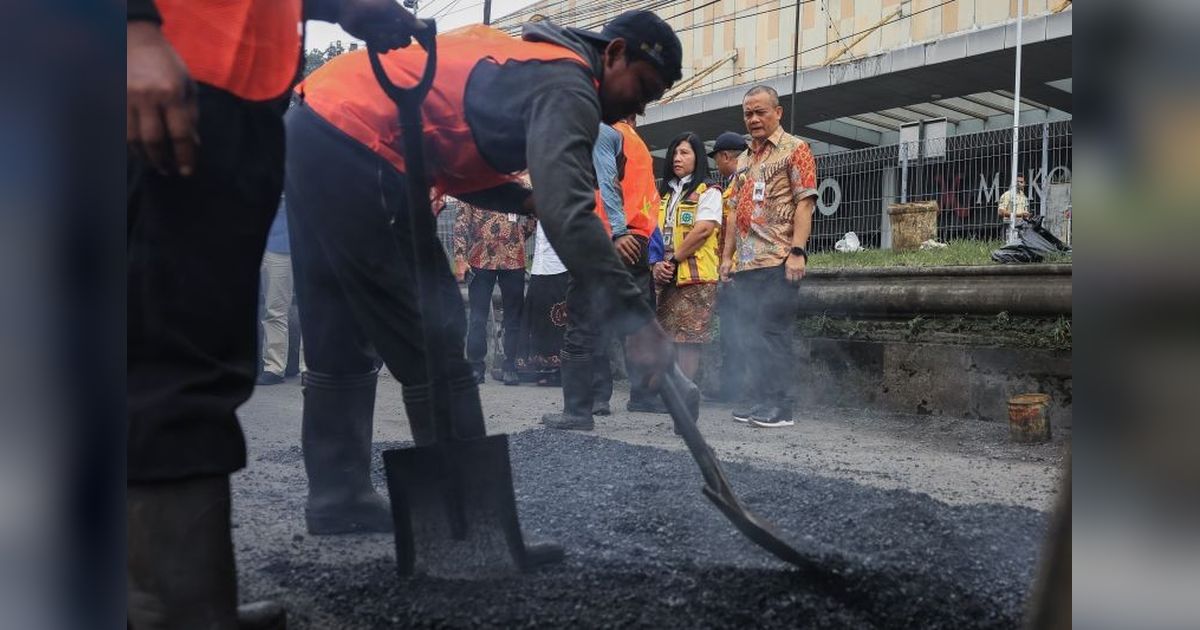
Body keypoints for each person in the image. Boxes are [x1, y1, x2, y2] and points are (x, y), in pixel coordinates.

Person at [284, 11, 681, 533]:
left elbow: (454, 153)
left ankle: (339, 498)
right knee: (434, 335)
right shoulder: (570, 85)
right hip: (363, 143)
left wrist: (522, 198)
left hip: (315, 127)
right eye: (643, 88)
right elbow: (570, 212)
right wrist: (638, 322)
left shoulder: (536, 65)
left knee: (338, 327)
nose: (640, 107)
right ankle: (469, 531)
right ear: (614, 53)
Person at [127, 1, 417, 627]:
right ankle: (177, 609)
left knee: (203, 355)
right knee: (167, 357)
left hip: (243, 104)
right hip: (165, 78)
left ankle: (181, 595)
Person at [543, 111, 661, 427]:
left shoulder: (604, 133)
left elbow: (607, 183)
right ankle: (665, 394)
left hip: (605, 241)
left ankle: (579, 410)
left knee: (582, 326)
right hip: (636, 242)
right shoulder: (638, 144)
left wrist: (617, 231)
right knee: (638, 324)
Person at [719, 85, 818, 429]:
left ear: (778, 112)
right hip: (748, 261)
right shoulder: (744, 159)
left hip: (779, 257)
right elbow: (733, 211)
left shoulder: (796, 149)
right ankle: (760, 398)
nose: (754, 119)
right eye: (748, 113)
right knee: (750, 333)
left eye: (760, 111)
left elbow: (805, 202)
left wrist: (797, 252)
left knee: (772, 332)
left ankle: (780, 406)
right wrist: (727, 258)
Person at [653, 132, 723, 382]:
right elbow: (653, 232)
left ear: (698, 157)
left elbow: (703, 230)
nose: (677, 158)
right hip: (665, 274)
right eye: (674, 152)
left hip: (695, 276)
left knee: (688, 339)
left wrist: (672, 260)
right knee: (664, 335)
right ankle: (665, 390)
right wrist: (655, 264)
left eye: (684, 152)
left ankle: (683, 393)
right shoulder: (664, 194)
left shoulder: (709, 190)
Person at [452, 197, 536, 385]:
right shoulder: (470, 187)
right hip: (480, 260)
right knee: (477, 318)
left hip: (513, 260)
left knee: (513, 318)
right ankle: (476, 367)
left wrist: (519, 237)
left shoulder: (518, 186)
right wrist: (460, 257)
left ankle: (510, 366)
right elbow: (461, 224)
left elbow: (533, 212)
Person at [705, 131, 749, 402]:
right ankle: (731, 387)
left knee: (736, 331)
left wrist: (729, 262)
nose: (716, 165)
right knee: (732, 331)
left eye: (716, 159)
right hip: (733, 267)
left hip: (738, 269)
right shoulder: (736, 183)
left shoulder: (741, 183)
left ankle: (737, 389)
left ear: (724, 156)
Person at [515, 220, 570, 386]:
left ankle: (560, 371)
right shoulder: (537, 208)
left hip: (560, 266)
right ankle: (542, 367)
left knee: (559, 319)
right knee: (539, 317)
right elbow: (527, 229)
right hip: (539, 266)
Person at [257, 197, 304, 385]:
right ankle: (274, 367)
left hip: (310, 244)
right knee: (274, 310)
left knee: (313, 311)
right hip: (276, 244)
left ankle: (311, 368)